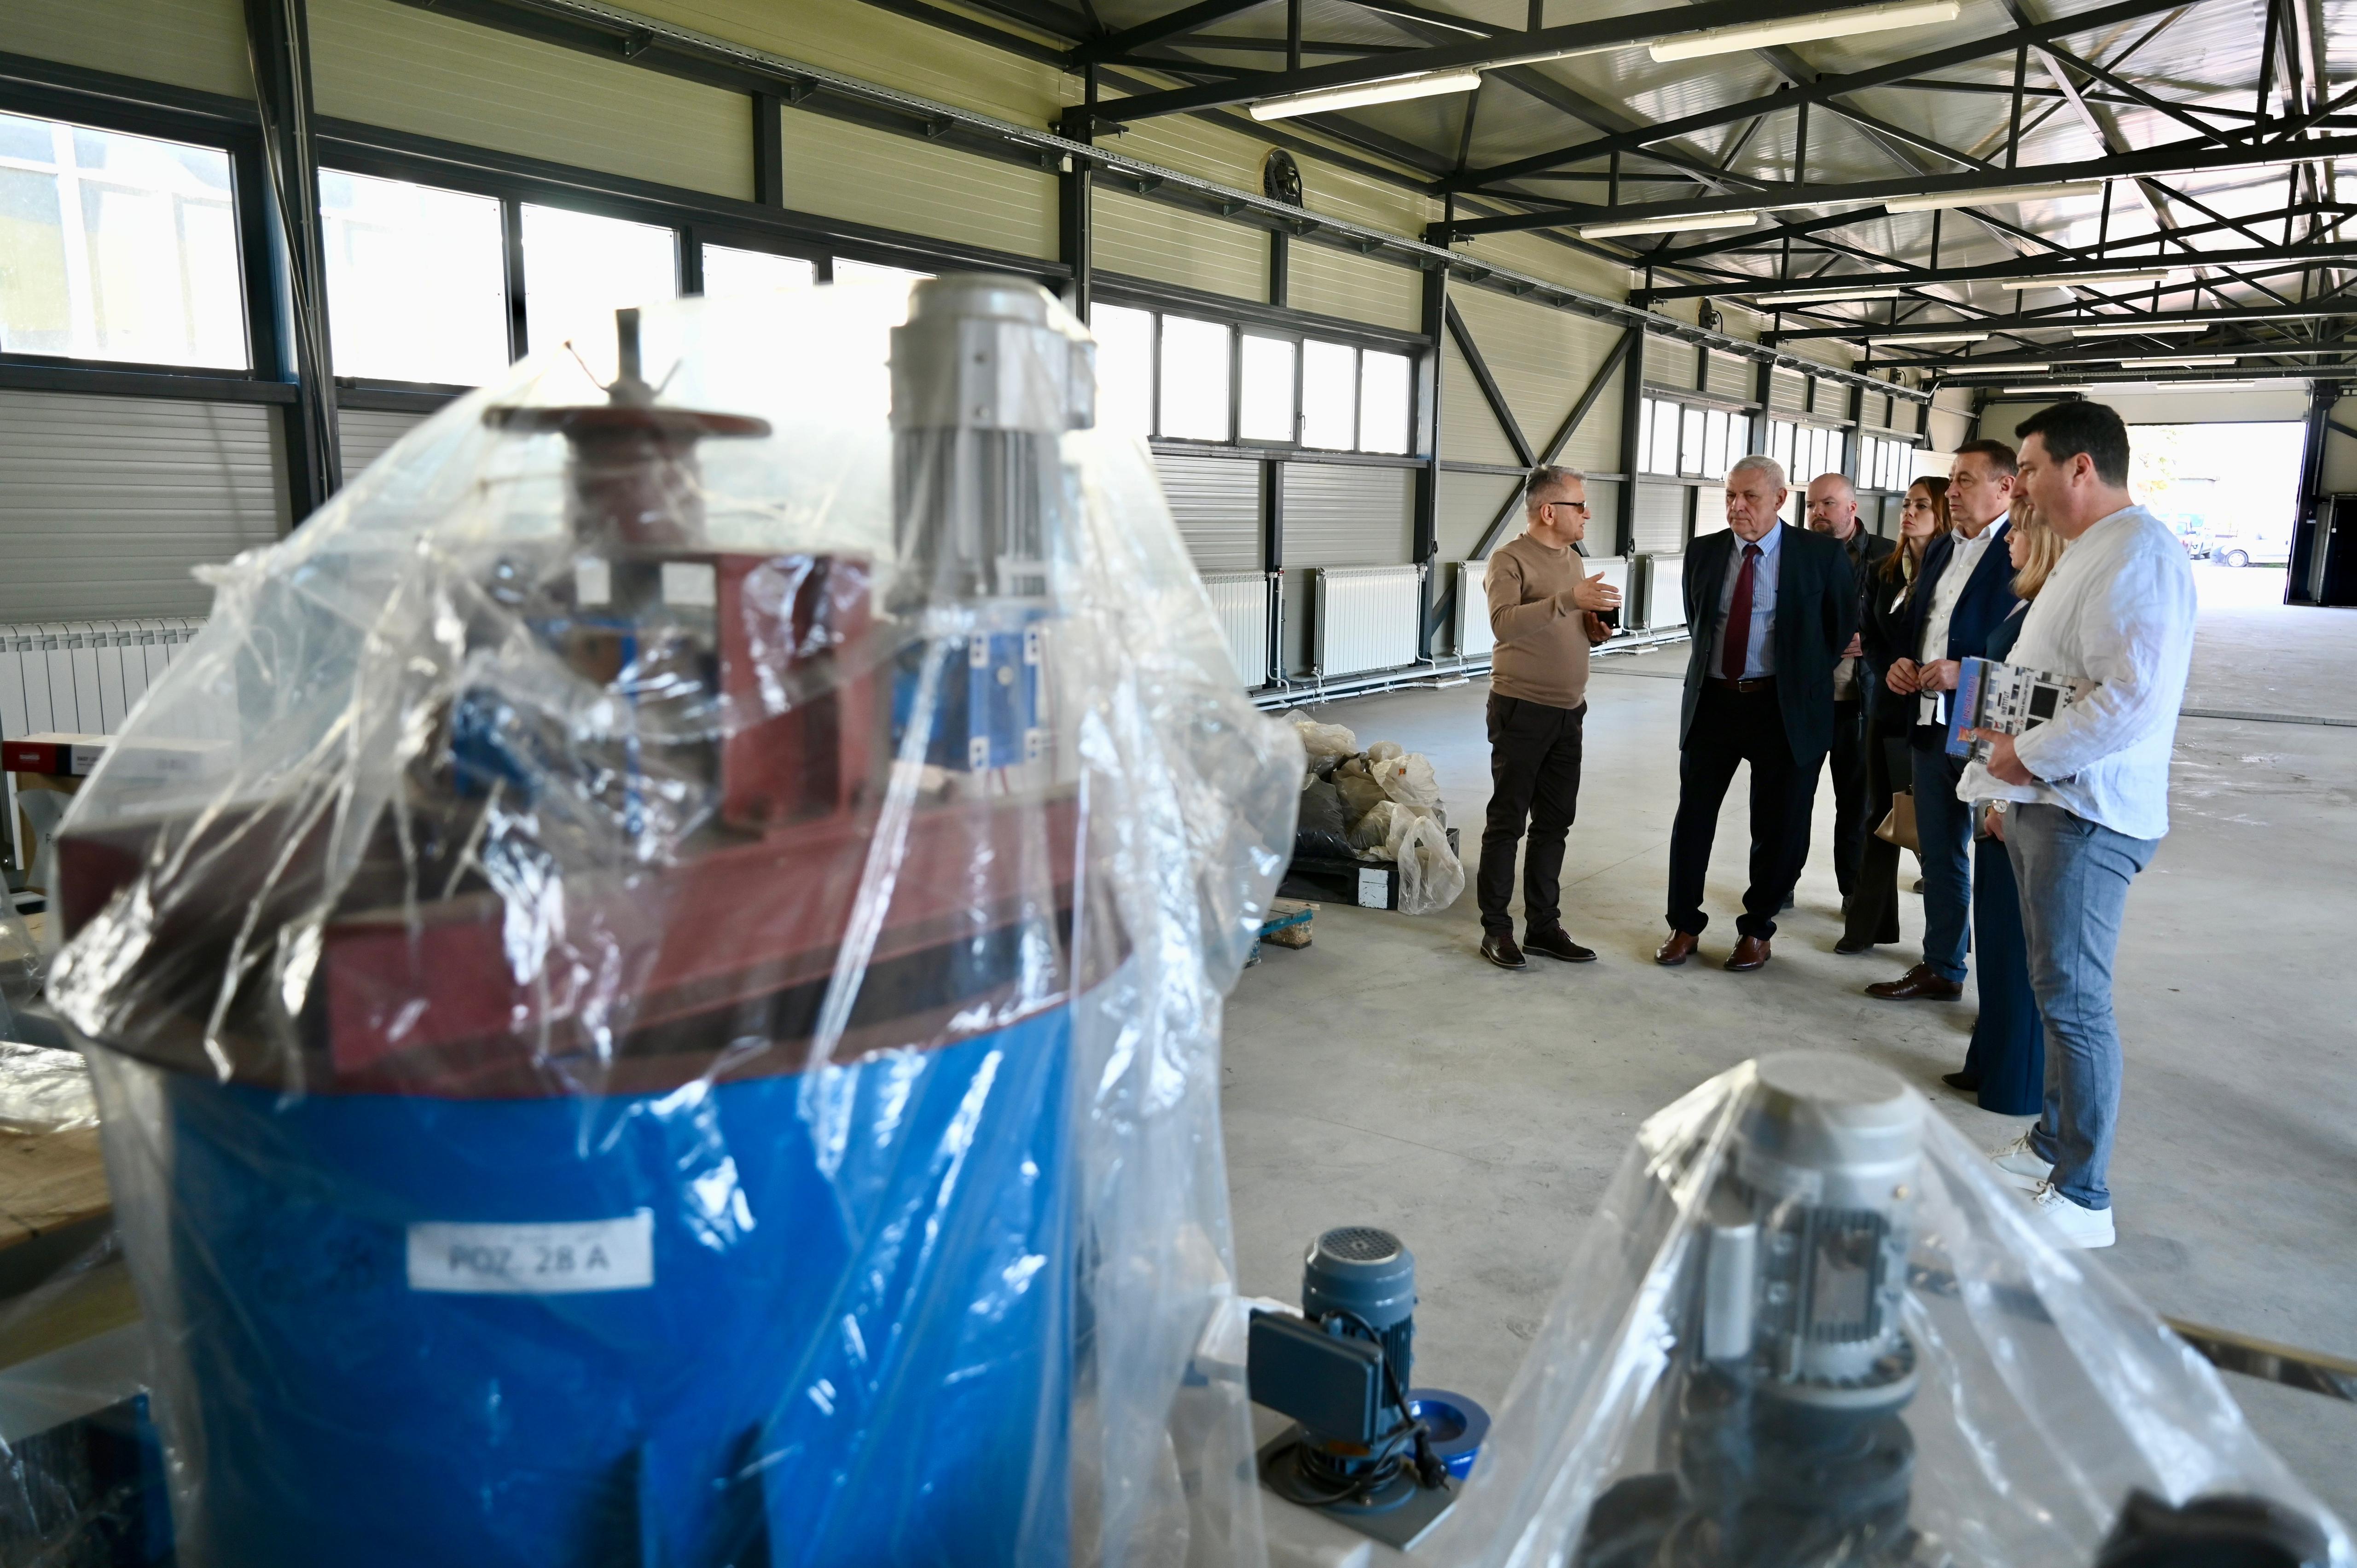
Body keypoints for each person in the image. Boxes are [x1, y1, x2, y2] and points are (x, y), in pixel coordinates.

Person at [1962, 401, 2196, 1249]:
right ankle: (2052, 1145)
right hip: (2053, 804)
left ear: (2081, 468)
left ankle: (2085, 1196)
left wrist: (2025, 757)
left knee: (2075, 1001)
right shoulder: (2096, 550)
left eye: (2027, 469)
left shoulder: (2138, 554)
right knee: (2055, 993)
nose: (2019, 486)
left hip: (2086, 814)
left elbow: (2131, 697)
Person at [1657, 456, 1856, 973]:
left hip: (1781, 707)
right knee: (1693, 818)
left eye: (1749, 496)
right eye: (1730, 495)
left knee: (1778, 824)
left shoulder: (1818, 554)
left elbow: (1838, 628)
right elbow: (1699, 623)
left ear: (1780, 499)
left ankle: (1757, 929)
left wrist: (1797, 678)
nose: (1737, 506)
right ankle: (1683, 924)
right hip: (1714, 703)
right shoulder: (1704, 552)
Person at [1865, 440, 2021, 1003]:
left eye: (1965, 480)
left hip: (1988, 726)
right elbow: (1920, 624)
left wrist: (1967, 673)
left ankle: (2003, 1003)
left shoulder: (2023, 547)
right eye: (1951, 480)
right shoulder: (1940, 549)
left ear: (2004, 487)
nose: (1950, 491)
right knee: (1938, 850)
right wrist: (1901, 663)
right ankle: (1942, 966)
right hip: (1930, 721)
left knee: (2002, 860)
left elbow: (2034, 651)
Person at [1945, 499, 2066, 1113]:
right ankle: (1988, 1060)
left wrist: (1999, 795)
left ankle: (2014, 1085)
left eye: (2017, 531)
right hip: (1993, 783)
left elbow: (2032, 713)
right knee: (1993, 943)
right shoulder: (2027, 602)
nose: (2008, 540)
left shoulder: (2048, 614)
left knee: (2016, 950)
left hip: (2013, 795)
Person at [1477, 465, 1620, 970]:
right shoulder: (1509, 560)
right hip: (1521, 708)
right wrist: (1567, 601)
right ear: (1548, 512)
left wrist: (1590, 631)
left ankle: (1542, 926)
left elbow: (1561, 624)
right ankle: (1496, 929)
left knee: (1554, 823)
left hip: (1569, 710)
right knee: (1507, 822)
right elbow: (1503, 625)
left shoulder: (1573, 559)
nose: (1587, 513)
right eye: (1578, 504)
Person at [1840, 476, 1951, 953]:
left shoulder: (1955, 575)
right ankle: (1867, 927)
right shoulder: (1884, 571)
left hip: (1937, 712)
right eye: (1906, 504)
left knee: (1935, 826)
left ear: (1943, 513)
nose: (1908, 512)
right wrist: (1890, 667)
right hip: (1888, 705)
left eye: (1921, 505)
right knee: (1879, 817)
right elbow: (1870, 634)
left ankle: (1946, 945)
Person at [1805, 472, 1896, 919]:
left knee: (1856, 805)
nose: (1816, 513)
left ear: (1851, 508)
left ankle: (1852, 891)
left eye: (1827, 504)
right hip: (1807, 700)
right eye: (1810, 505)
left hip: (1861, 702)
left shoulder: (1886, 555)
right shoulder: (1797, 553)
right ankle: (1778, 884)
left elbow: (1907, 623)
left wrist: (1871, 639)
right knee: (1788, 802)